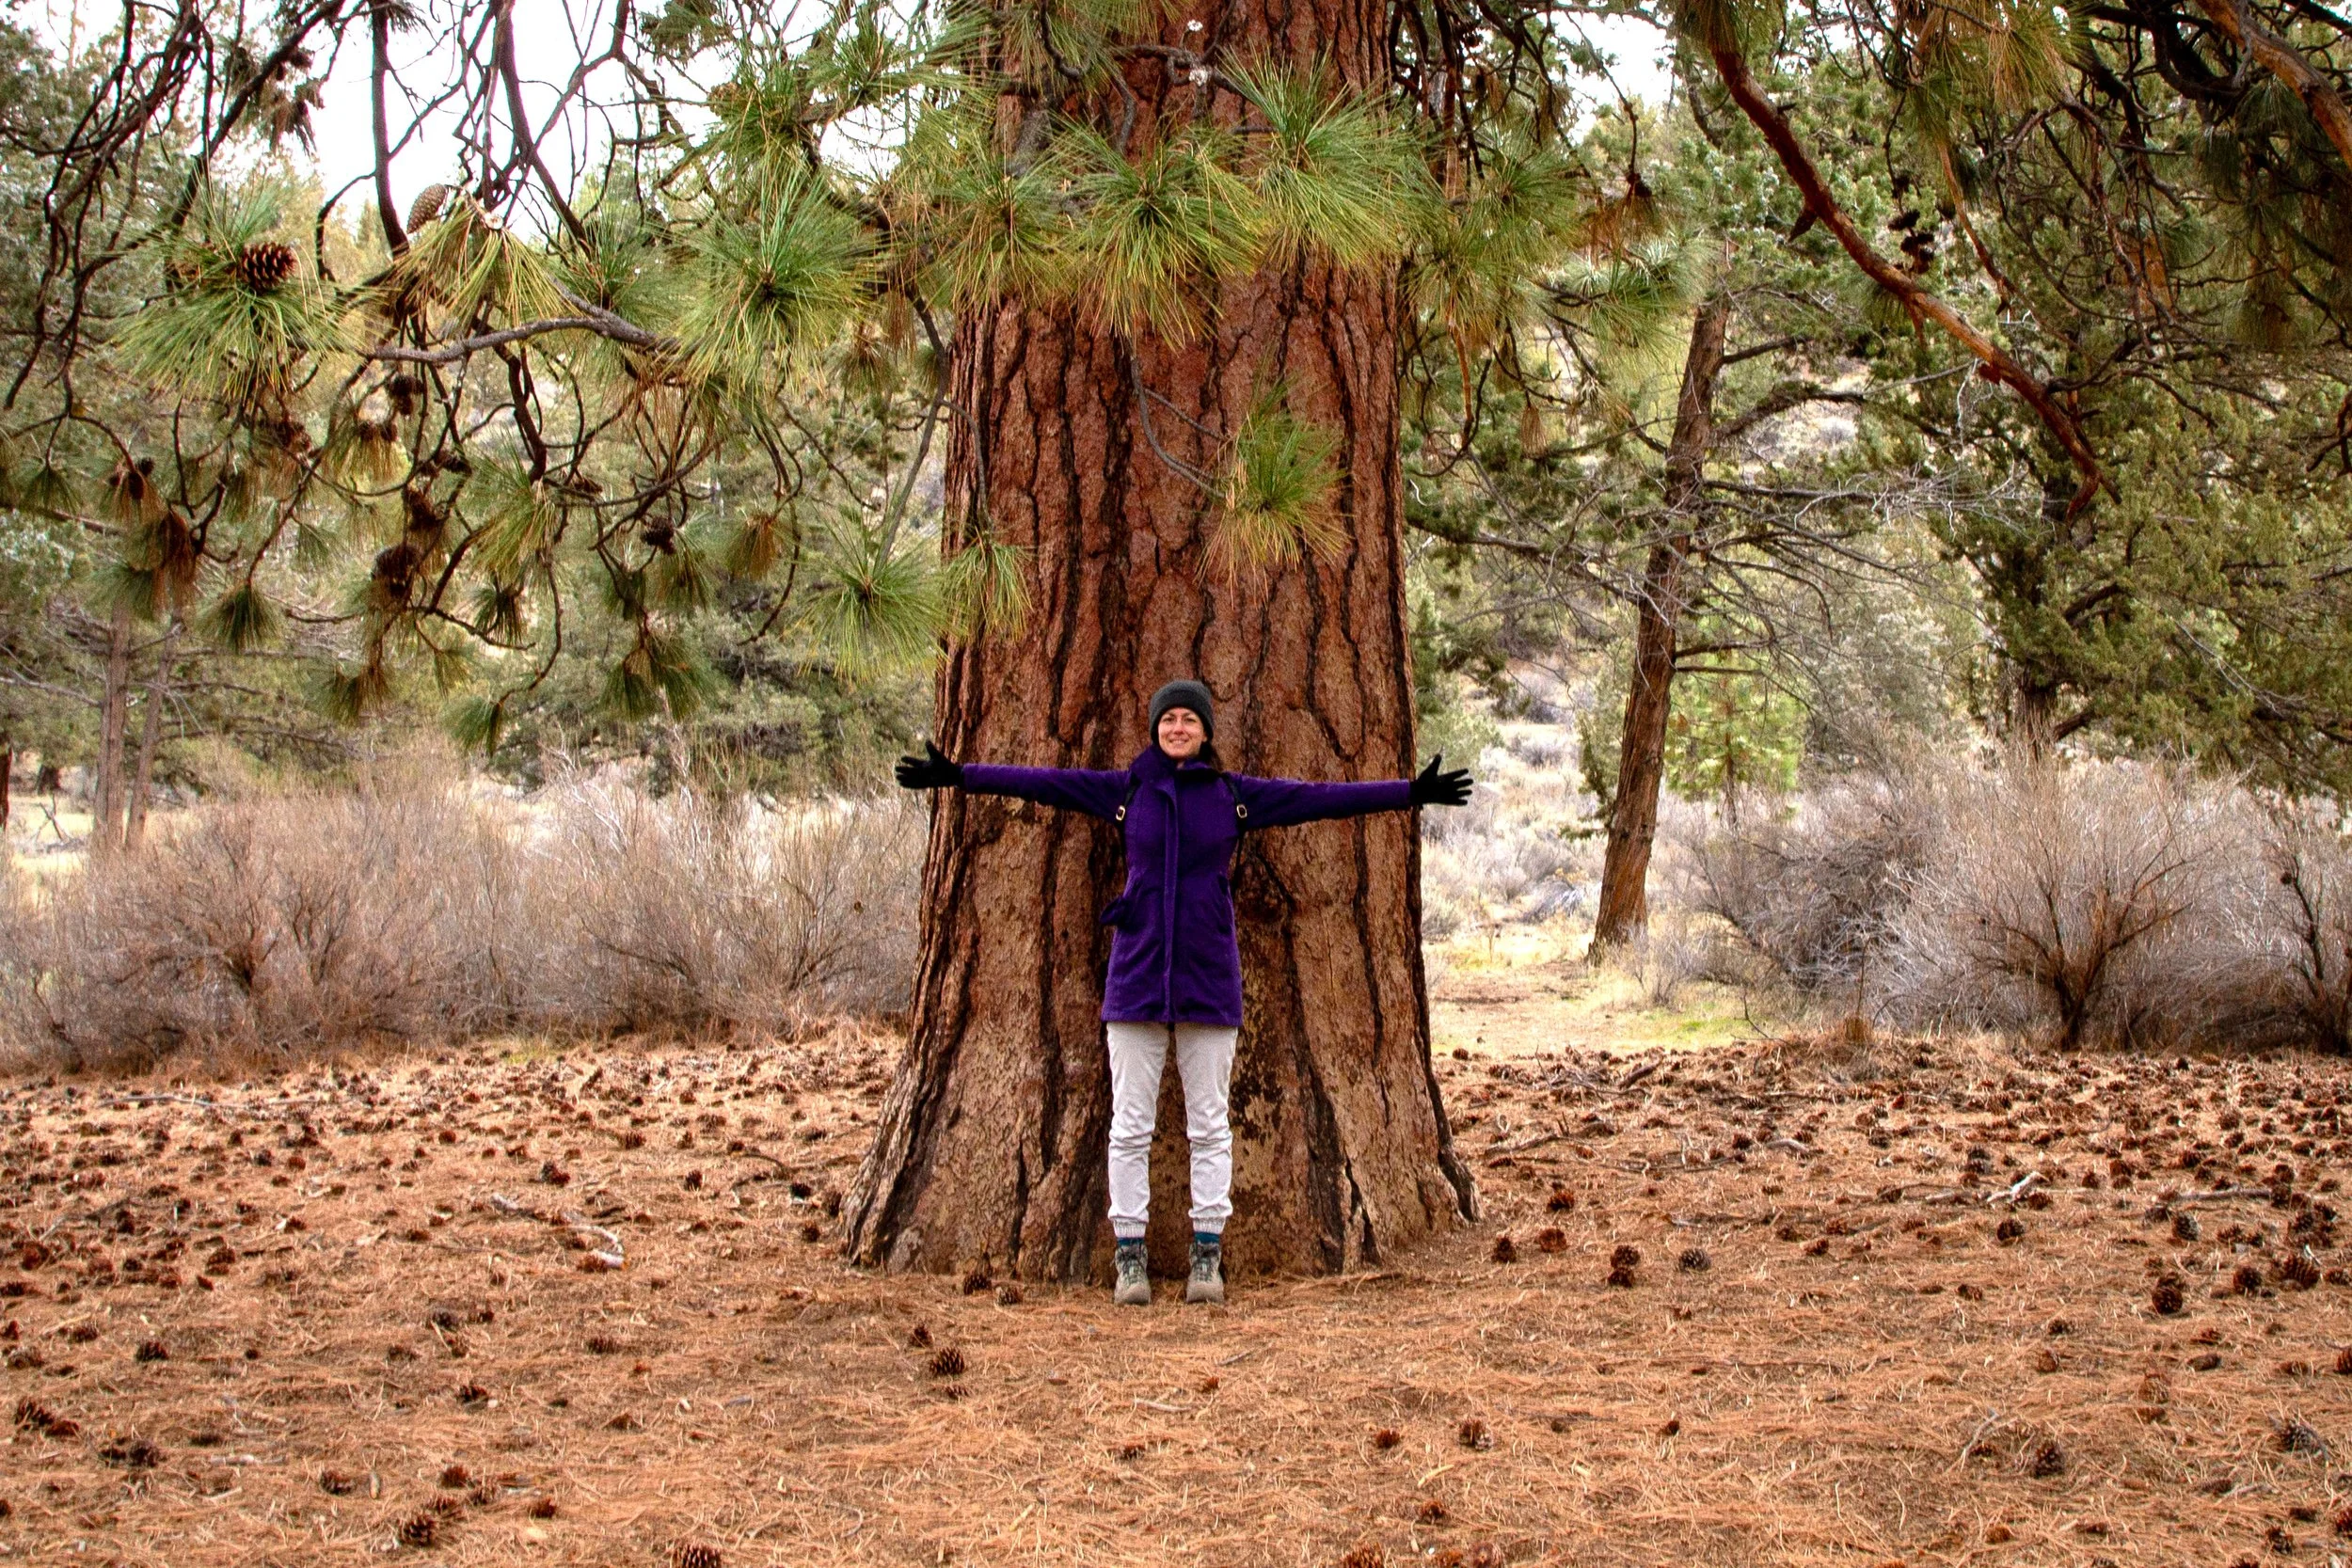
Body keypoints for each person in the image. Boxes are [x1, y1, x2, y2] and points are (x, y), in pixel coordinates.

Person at [895, 680, 1473, 1307]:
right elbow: (1043, 782)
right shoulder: (1127, 791)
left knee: (1209, 1125)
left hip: (1208, 976)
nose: (1176, 727)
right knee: (1129, 1127)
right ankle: (1130, 1257)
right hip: (1137, 975)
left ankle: (1206, 1255)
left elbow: (1320, 798)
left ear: (1205, 731)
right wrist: (959, 776)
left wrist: (1411, 792)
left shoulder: (1232, 796)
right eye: (1167, 718)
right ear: (1154, 728)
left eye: (1187, 720)